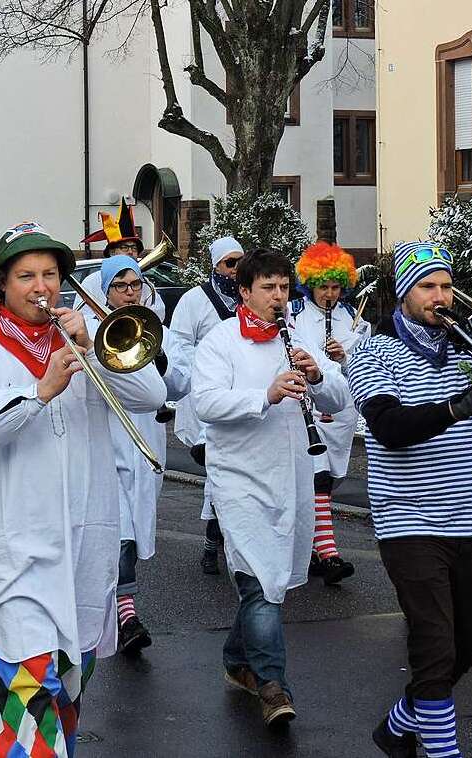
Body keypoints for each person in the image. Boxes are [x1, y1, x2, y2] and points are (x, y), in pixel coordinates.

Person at [0, 222, 166, 757]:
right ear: (1, 286)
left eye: (49, 274)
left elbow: (151, 393)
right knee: (27, 693)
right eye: (26, 276)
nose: (40, 286)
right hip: (14, 549)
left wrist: (95, 349)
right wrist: (39, 391)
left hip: (85, 545)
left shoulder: (83, 342)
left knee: (66, 695)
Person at [347, 242, 472, 758]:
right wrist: (456, 407)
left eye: (447, 286)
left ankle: (398, 725)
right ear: (404, 294)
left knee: (467, 644)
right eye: (428, 286)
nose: (441, 296)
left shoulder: (467, 345)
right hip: (410, 521)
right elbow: (387, 427)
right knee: (434, 642)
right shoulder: (375, 350)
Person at [192, 251, 349, 729]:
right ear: (244, 291)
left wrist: (320, 377)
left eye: (284, 287)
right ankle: (272, 683)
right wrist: (266, 395)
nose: (279, 297)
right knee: (260, 582)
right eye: (268, 288)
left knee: (271, 578)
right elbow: (206, 403)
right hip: (240, 477)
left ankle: (237, 658)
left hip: (292, 474)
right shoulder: (220, 341)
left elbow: (342, 398)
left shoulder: (297, 338)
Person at [82, 255, 189, 656]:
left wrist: (160, 362)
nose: (129, 292)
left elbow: (181, 383)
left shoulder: (159, 330)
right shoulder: (90, 331)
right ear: (105, 292)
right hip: (104, 442)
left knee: (136, 527)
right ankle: (125, 614)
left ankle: (117, 606)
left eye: (134, 285)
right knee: (119, 531)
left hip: (145, 443)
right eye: (120, 286)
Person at [290, 241, 371, 584]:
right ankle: (329, 552)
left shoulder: (354, 320)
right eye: (324, 286)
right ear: (311, 284)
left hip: (342, 410)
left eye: (336, 286)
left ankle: (309, 548)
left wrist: (346, 358)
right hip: (305, 405)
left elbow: (369, 365)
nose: (330, 293)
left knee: (328, 481)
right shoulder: (293, 315)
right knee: (317, 477)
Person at [169, 236, 245, 575]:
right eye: (230, 263)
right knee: (220, 476)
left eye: (241, 262)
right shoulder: (194, 300)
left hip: (243, 398)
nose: (237, 270)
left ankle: (225, 544)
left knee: (235, 479)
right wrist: (207, 365)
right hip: (209, 398)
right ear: (215, 266)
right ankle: (215, 542)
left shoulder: (250, 297)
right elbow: (179, 343)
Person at [74, 199, 166, 321]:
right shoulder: (91, 281)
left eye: (134, 248)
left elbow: (159, 314)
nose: (130, 251)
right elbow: (81, 317)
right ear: (112, 252)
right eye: (124, 247)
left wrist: (143, 313)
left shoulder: (144, 282)